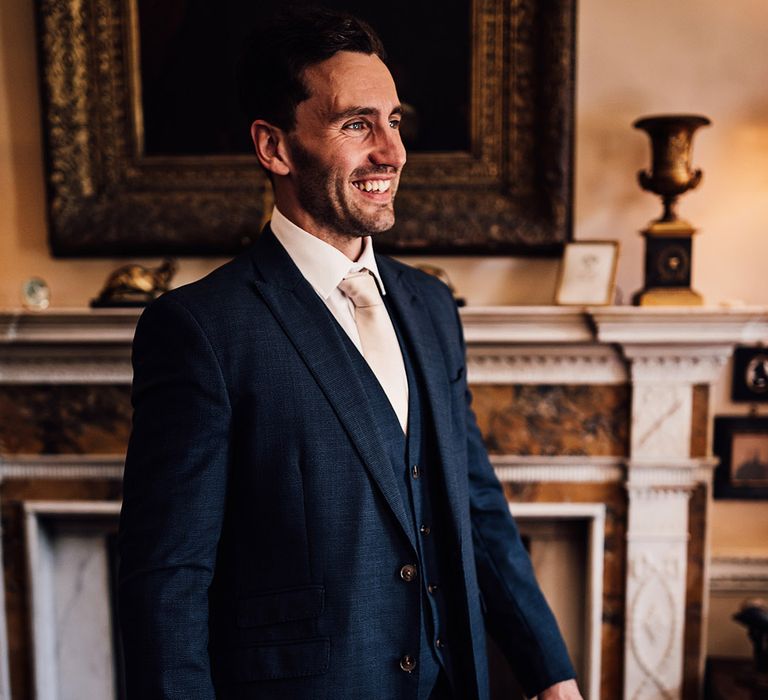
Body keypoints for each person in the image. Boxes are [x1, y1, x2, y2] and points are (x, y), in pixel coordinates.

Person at [118, 8, 582, 700]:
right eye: (356, 125)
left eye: (394, 122)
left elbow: (477, 507)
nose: (392, 152)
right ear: (275, 147)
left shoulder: (430, 308)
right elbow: (168, 579)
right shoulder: (199, 329)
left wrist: (553, 674)